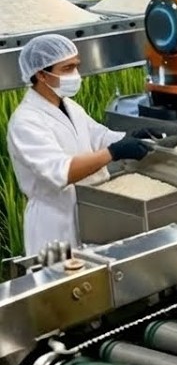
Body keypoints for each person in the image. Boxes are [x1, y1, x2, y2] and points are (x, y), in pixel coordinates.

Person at [7, 35, 158, 255]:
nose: (75, 75)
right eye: (67, 68)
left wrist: (129, 137)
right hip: (55, 226)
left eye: (76, 67)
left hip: (90, 213)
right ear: (41, 74)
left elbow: (99, 136)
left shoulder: (70, 106)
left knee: (94, 282)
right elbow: (62, 172)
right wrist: (114, 152)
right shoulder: (26, 121)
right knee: (61, 285)